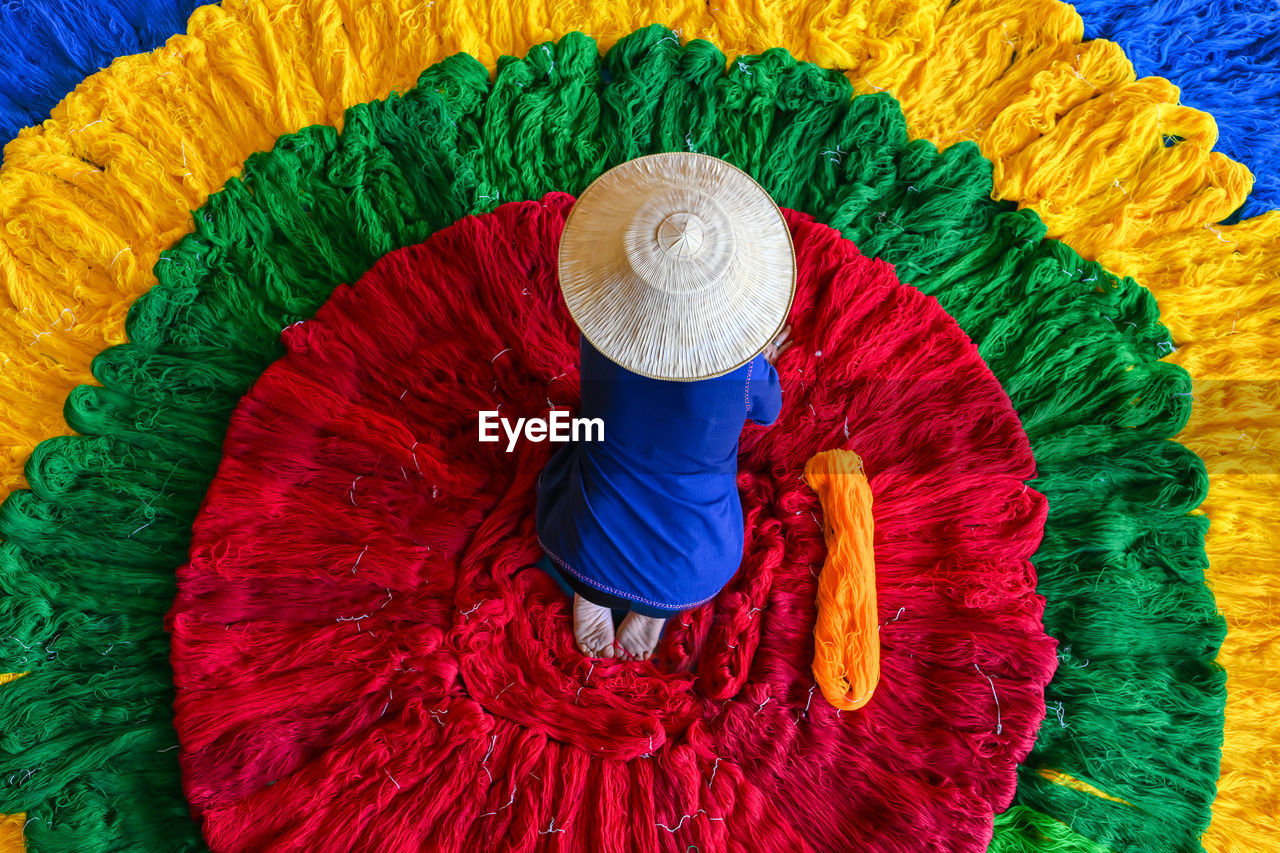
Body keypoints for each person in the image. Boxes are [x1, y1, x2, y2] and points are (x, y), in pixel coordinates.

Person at [534, 152, 796, 661]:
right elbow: (769, 412)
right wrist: (759, 357)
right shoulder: (743, 368)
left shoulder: (603, 333)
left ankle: (591, 594)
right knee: (688, 526)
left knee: (576, 440)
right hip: (689, 570)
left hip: (582, 548)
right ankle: (654, 610)